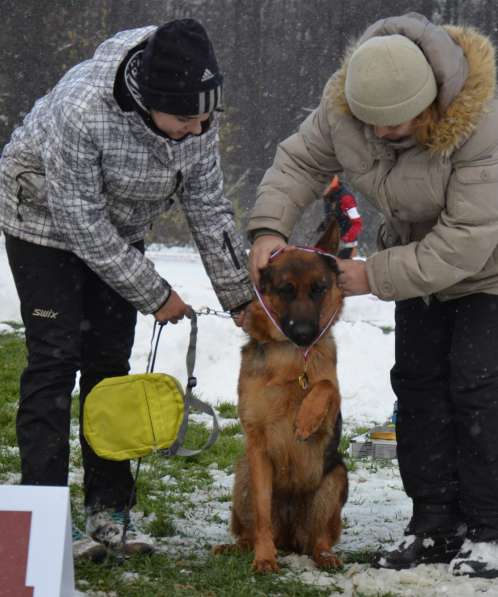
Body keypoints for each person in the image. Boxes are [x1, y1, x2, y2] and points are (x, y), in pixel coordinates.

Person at [247, 12, 498, 578]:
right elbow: (298, 163)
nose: (382, 134)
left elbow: (467, 240)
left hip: (488, 273)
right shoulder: (344, 111)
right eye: (373, 123)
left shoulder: (482, 124)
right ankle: (434, 525)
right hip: (415, 268)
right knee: (418, 390)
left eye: (398, 124)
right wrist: (268, 228)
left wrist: (371, 276)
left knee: (479, 392)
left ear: (432, 101)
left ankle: (489, 530)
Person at [0, 19, 252, 558]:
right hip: (44, 220)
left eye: (207, 117)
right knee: (53, 359)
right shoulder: (82, 108)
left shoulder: (196, 124)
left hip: (120, 225)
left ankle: (108, 510)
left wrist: (240, 298)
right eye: (185, 118)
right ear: (147, 100)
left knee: (109, 364)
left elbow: (208, 209)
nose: (197, 129)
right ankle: (45, 516)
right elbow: (80, 222)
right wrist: (155, 292)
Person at [322, 175, 362, 258]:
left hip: (346, 246)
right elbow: (332, 216)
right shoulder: (328, 196)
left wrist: (345, 239)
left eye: (323, 188)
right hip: (332, 242)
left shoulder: (346, 198)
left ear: (330, 186)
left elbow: (357, 223)